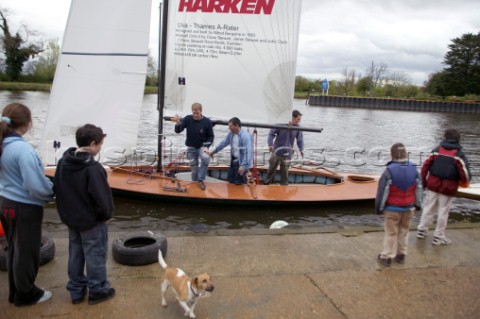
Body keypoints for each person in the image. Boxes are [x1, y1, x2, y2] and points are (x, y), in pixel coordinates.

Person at [54, 124, 115, 305]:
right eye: (100, 144)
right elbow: (102, 197)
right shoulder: (93, 168)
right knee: (95, 255)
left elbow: (58, 188)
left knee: (75, 254)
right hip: (91, 222)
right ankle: (98, 290)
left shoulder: (63, 162)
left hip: (72, 220)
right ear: (93, 143)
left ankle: (76, 290)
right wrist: (106, 214)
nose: (100, 148)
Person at [0, 103, 54, 306]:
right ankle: (26, 294)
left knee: (14, 248)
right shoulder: (23, 150)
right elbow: (36, 186)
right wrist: (51, 191)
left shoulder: (2, 144)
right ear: (28, 123)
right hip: (24, 208)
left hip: (4, 202)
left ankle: (15, 291)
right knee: (27, 252)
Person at [417, 129, 471, 245]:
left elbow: (425, 166)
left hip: (432, 184)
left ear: (445, 137)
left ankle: (421, 230)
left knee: (428, 207)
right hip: (448, 188)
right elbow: (464, 173)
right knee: (443, 212)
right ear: (458, 139)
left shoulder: (436, 150)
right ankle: (438, 236)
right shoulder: (459, 154)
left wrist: (424, 182)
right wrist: (464, 184)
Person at [375, 143, 422, 267]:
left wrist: (379, 208)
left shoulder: (389, 171)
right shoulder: (414, 169)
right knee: (404, 230)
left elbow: (383, 192)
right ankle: (401, 254)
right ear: (406, 154)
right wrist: (417, 205)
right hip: (409, 207)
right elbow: (419, 189)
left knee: (391, 232)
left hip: (392, 208)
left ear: (392, 155)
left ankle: (386, 256)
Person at [174, 103, 214, 190]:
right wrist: (177, 124)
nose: (195, 115)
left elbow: (211, 136)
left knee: (206, 158)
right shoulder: (188, 118)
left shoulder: (207, 121)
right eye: (194, 113)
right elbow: (178, 130)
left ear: (201, 112)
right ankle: (195, 181)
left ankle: (201, 180)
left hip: (202, 147)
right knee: (194, 168)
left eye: (197, 113)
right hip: (191, 147)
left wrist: (207, 146)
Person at [263, 110, 304, 185]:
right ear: (293, 118)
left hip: (288, 153)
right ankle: (267, 183)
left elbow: (300, 140)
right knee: (271, 169)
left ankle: (284, 185)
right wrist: (270, 144)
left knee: (285, 171)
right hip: (276, 151)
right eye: (298, 119)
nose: (299, 121)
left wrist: (301, 149)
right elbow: (271, 133)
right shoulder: (281, 124)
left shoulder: (298, 128)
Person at [209, 117, 253, 184]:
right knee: (230, 179)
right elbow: (224, 143)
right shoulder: (231, 134)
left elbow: (248, 153)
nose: (229, 128)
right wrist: (214, 151)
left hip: (241, 162)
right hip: (233, 160)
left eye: (230, 126)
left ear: (236, 125)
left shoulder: (245, 137)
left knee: (239, 182)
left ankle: (240, 193)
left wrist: (242, 167)